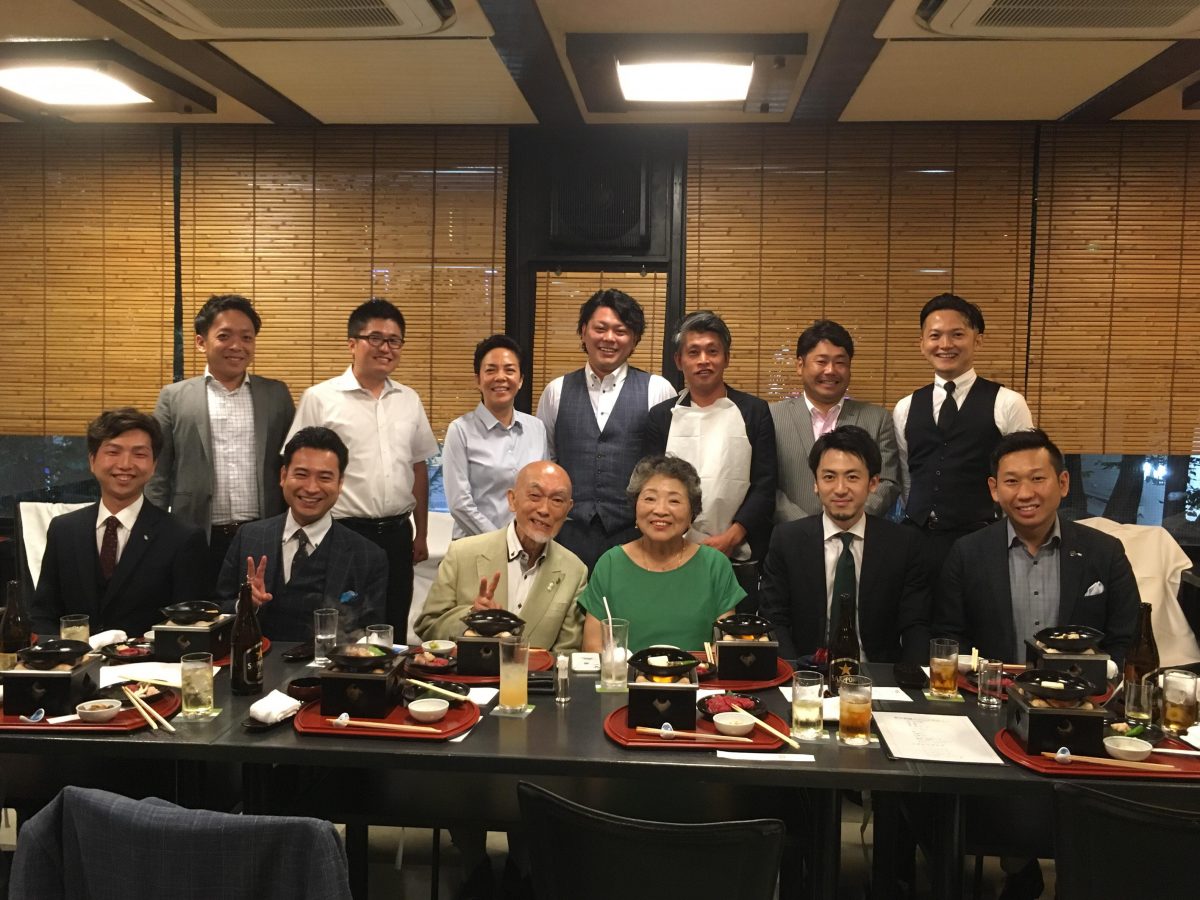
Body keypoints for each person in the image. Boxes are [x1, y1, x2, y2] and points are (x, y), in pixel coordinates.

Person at [287, 298, 438, 639]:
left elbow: (417, 468)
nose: (386, 348)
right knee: (343, 630)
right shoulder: (321, 398)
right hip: (342, 533)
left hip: (397, 535)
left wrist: (422, 533)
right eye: (376, 338)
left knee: (393, 627)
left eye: (394, 340)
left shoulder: (409, 400)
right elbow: (297, 468)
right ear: (352, 344)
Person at [933, 428, 1140, 665]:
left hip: (1082, 687)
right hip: (992, 686)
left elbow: (1126, 639)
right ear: (994, 489)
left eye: (1037, 479)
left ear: (1063, 483)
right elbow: (949, 636)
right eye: (1011, 481)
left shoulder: (1105, 551)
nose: (1025, 494)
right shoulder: (967, 553)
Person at [146, 294, 295, 585]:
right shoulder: (173, 397)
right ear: (201, 342)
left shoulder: (276, 394)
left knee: (260, 608)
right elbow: (157, 474)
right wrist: (152, 531)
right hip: (195, 533)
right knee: (199, 607)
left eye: (247, 337)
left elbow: (290, 464)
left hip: (262, 532)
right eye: (225, 336)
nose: (237, 346)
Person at [31, 408, 207, 638]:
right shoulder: (63, 530)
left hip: (149, 660)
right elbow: (43, 615)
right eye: (113, 452)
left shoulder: (183, 537)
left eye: (139, 454)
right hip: (74, 658)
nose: (125, 464)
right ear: (92, 461)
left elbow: (188, 628)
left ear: (154, 465)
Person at [759, 426, 929, 664]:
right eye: (829, 477)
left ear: (873, 483)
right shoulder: (787, 540)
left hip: (878, 673)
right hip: (807, 671)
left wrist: (912, 678)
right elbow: (774, 619)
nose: (840, 489)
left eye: (852, 477)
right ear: (816, 483)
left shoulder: (903, 543)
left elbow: (915, 624)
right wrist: (795, 673)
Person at [536, 289, 676, 571]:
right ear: (583, 331)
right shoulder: (556, 391)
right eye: (600, 328)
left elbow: (670, 468)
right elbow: (546, 460)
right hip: (568, 532)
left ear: (634, 339)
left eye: (620, 331)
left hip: (635, 532)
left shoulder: (657, 389)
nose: (609, 338)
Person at [642, 310, 776, 607]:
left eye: (712, 351)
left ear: (726, 358)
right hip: (670, 548)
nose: (704, 360)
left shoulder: (754, 412)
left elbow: (766, 484)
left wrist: (733, 535)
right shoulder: (661, 417)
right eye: (694, 352)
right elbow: (650, 486)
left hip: (737, 552)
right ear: (679, 361)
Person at [893, 294, 1033, 572]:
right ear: (922, 343)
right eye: (935, 336)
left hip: (982, 542)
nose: (945, 345)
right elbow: (908, 477)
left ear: (977, 340)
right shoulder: (905, 407)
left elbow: (1023, 478)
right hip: (918, 542)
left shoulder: (1008, 403)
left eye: (957, 334)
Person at [215, 427, 386, 642]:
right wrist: (247, 605)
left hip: (330, 661)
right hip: (257, 658)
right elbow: (219, 610)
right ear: (283, 476)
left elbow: (372, 638)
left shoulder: (368, 556)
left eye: (325, 477)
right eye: (301, 474)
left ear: (340, 483)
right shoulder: (249, 537)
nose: (311, 488)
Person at [578, 455, 743, 652]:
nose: (660, 510)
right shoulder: (610, 564)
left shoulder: (715, 565)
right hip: (625, 672)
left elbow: (725, 646)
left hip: (697, 672)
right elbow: (593, 647)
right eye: (650, 498)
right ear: (635, 507)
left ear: (692, 513)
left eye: (674, 501)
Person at [418, 461, 585, 653]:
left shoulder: (575, 571)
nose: (544, 510)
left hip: (536, 673)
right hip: (468, 671)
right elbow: (428, 628)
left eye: (557, 500)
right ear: (512, 500)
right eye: (535, 496)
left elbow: (566, 654)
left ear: (568, 509)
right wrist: (472, 616)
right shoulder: (462, 553)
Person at [771, 319, 900, 523]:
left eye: (840, 362)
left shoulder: (878, 419)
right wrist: (809, 528)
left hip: (857, 535)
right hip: (789, 535)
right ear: (800, 365)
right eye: (821, 361)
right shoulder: (772, 417)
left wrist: (847, 520)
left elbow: (887, 482)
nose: (831, 370)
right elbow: (765, 484)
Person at [442, 335, 548, 540]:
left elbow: (543, 491)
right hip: (475, 546)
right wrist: (504, 543)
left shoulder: (536, 428)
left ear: (521, 380)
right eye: (491, 370)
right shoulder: (460, 430)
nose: (500, 377)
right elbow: (459, 504)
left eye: (509, 370)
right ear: (478, 380)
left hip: (528, 545)